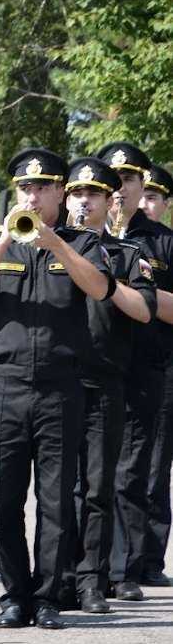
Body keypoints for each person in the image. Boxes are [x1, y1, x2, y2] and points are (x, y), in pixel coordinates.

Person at [0, 147, 113, 630]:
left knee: (54, 501)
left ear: (59, 193)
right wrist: (6, 240)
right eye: (25, 187)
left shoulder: (82, 243)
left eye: (42, 187)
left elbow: (97, 288)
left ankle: (48, 597)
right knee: (4, 501)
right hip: (6, 386)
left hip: (59, 387)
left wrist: (57, 245)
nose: (32, 195)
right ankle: (14, 595)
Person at [57, 157, 155, 614]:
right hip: (57, 381)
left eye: (93, 194)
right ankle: (56, 575)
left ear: (107, 200)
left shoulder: (126, 255)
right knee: (57, 488)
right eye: (76, 193)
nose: (83, 201)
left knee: (98, 485)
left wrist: (104, 279)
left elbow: (144, 310)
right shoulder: (48, 249)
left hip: (105, 380)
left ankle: (93, 580)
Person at [96, 142, 173, 602]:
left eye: (128, 180)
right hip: (95, 365)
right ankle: (90, 565)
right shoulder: (78, 237)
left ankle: (131, 565)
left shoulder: (164, 241)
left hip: (149, 367)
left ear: (142, 184)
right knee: (91, 472)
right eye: (113, 180)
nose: (120, 189)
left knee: (136, 473)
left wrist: (135, 290)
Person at [143, 163, 173, 586]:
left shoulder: (167, 243)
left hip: (160, 362)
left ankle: (148, 559)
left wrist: (139, 292)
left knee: (153, 467)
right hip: (108, 362)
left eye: (154, 196)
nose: (145, 202)